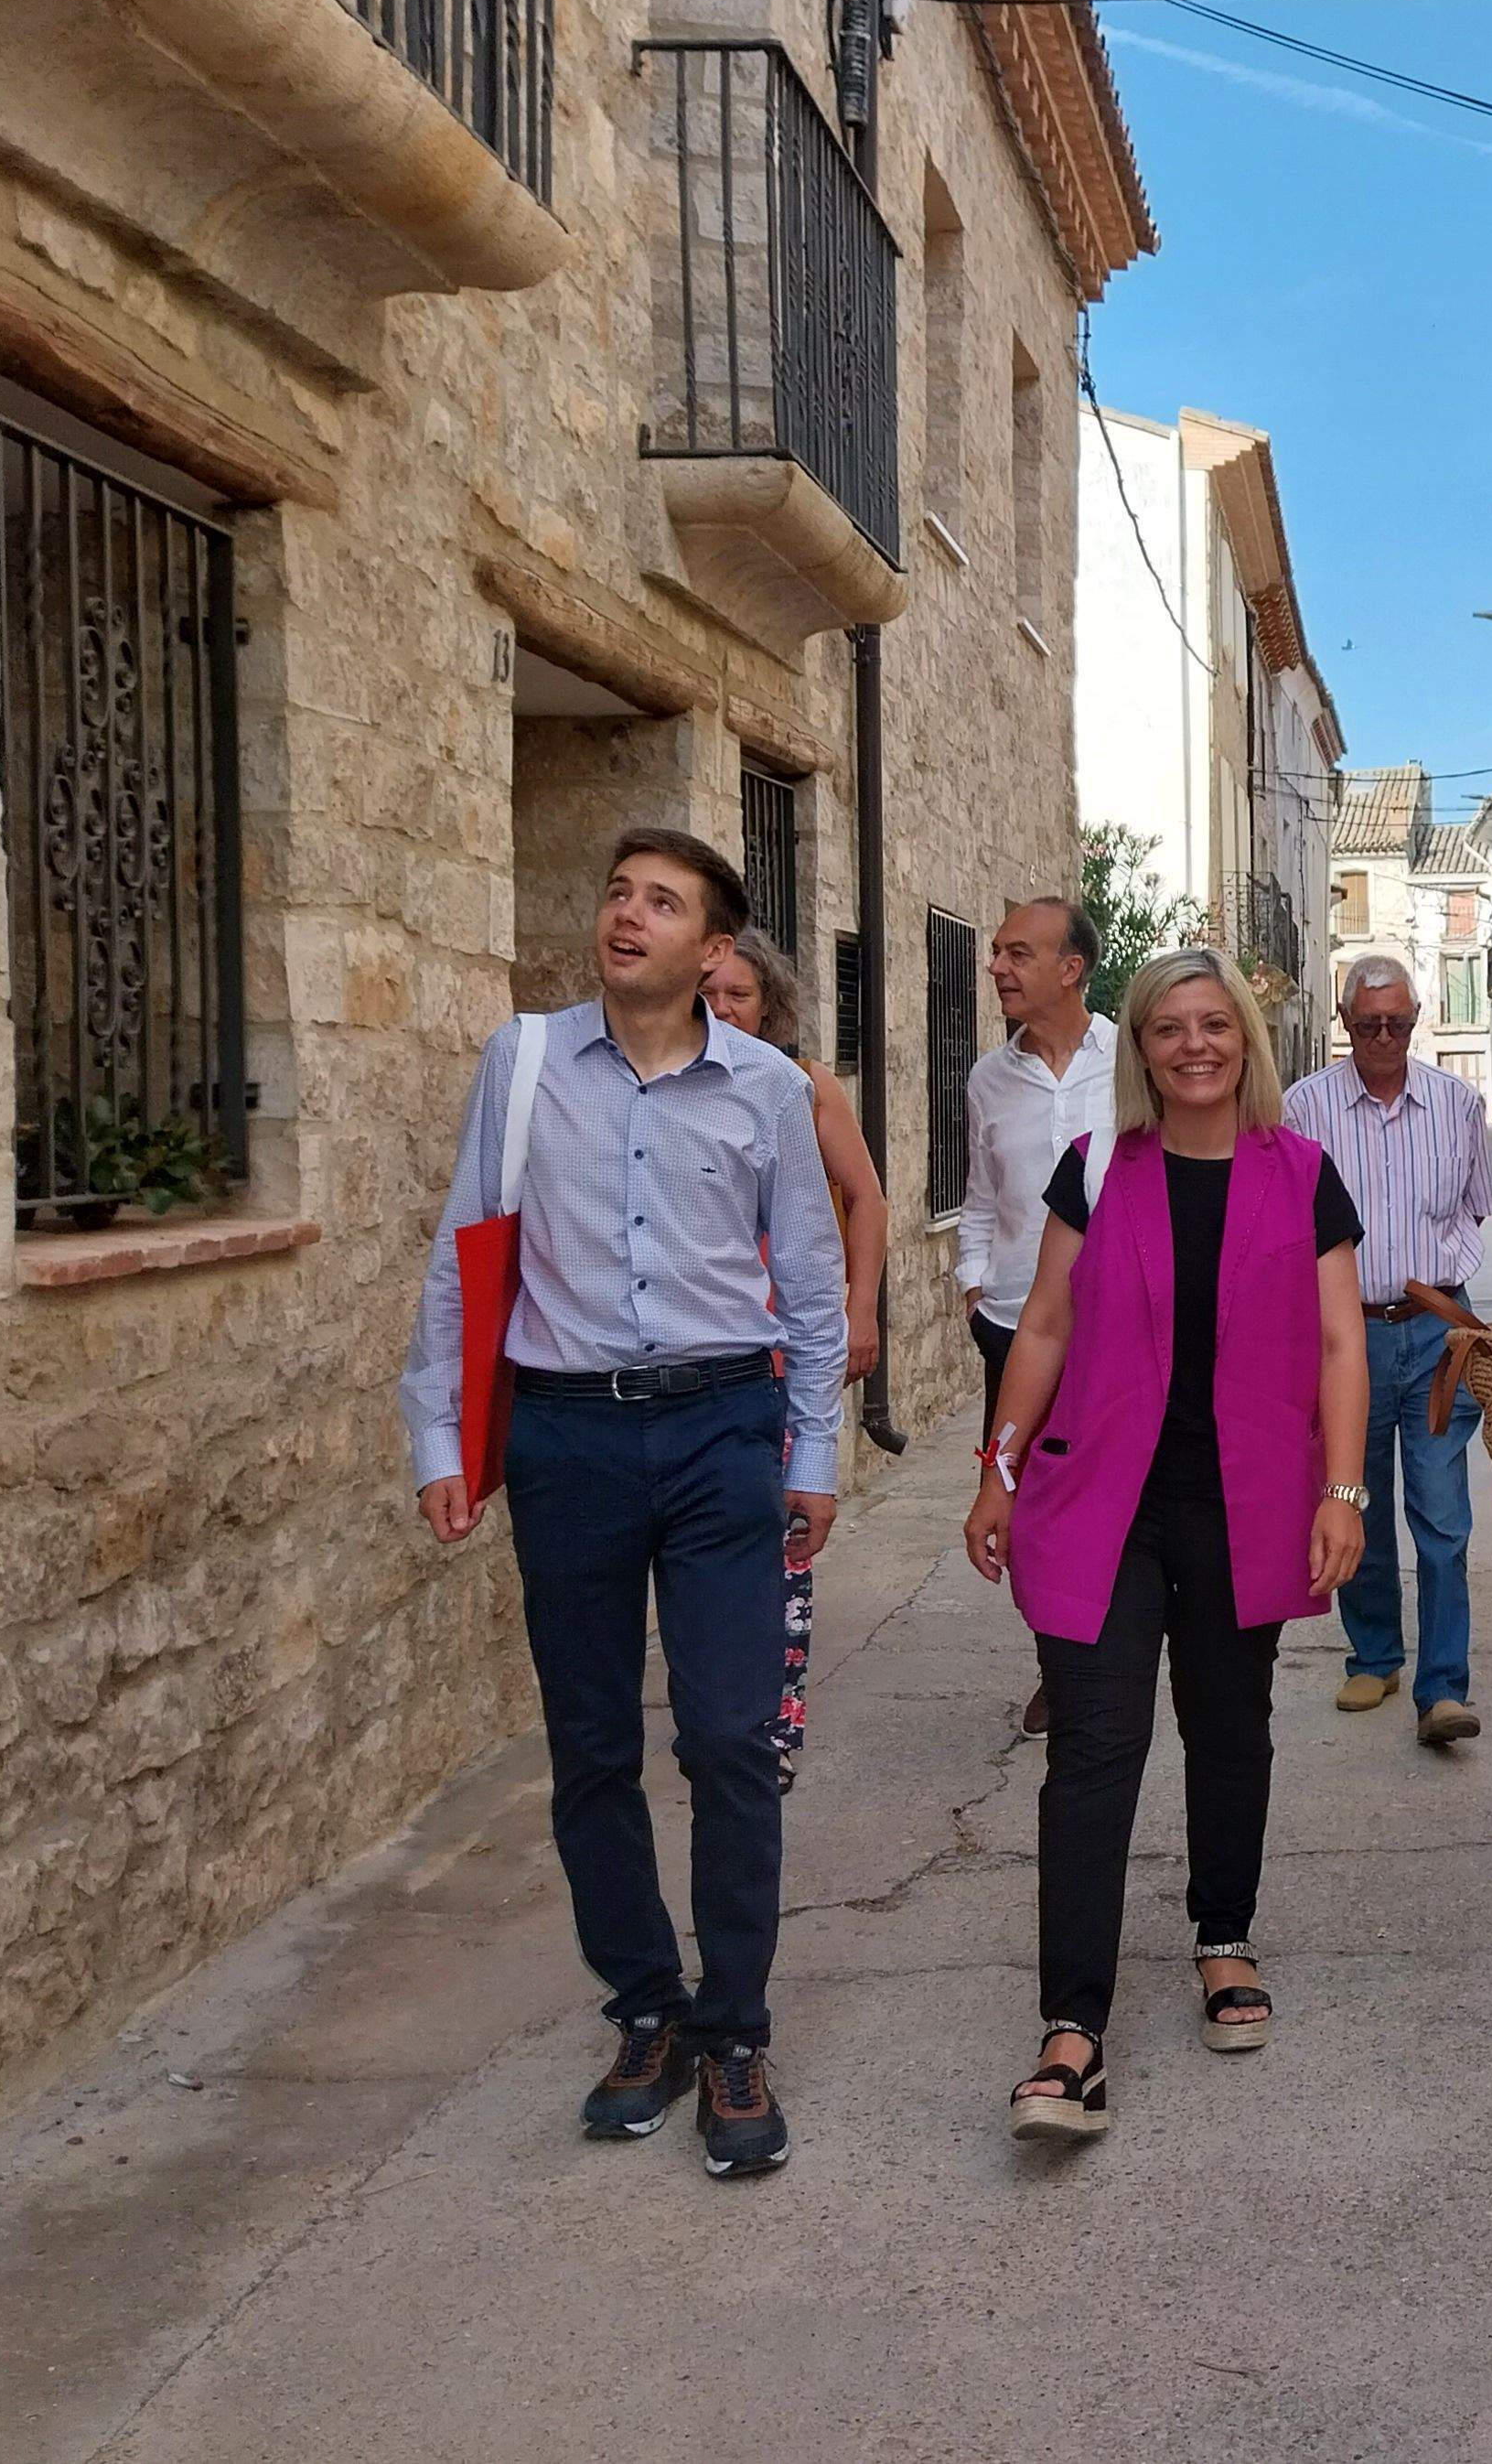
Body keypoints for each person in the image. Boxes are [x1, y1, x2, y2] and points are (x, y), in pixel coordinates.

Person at [401, 829, 845, 2179]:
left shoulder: (768, 1088)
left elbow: (810, 1282)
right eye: (617, 894)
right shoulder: (525, 1061)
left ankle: (737, 2029)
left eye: (662, 902)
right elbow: (464, 1254)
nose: (627, 916)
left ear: (714, 947)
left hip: (721, 1431)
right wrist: (439, 1431)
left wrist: (813, 1455)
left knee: (728, 1738)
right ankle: (647, 2009)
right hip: (569, 1438)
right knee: (592, 1744)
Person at [961, 946, 1369, 2143]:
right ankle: (1072, 2029)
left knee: (1229, 1726)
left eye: (1214, 1024)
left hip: (1247, 1500)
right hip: (1104, 1500)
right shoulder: (1098, 1168)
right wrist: (996, 1470)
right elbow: (1042, 1327)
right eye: (1168, 1027)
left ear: (1246, 1038)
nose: (1194, 1045)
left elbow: (1341, 1345)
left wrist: (1343, 1490)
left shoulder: (1303, 1174)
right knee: (1096, 1743)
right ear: (1139, 1048)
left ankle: (1223, 1934)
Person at [1284, 953, 1492, 1747]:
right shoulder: (1303, 1110)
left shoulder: (1457, 1104)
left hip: (1437, 1335)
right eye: (1369, 1023)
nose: (1383, 1036)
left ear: (1416, 1022)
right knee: (1357, 1499)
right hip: (1345, 1336)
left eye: (1397, 1023)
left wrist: (1441, 1278)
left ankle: (1443, 1689)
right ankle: (1373, 1656)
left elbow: (1477, 1205)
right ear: (1345, 1021)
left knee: (1442, 1515)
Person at [705, 934, 886, 1790]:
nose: (722, 1009)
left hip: (789, 1350)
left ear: (768, 1004)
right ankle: (721, 1713)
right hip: (713, 1357)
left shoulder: (801, 1085)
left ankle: (775, 1724)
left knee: (785, 1544)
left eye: (738, 995)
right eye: (708, 993)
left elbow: (869, 1200)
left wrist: (860, 1308)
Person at [961, 896, 1115, 1738]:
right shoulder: (988, 1078)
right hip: (1016, 1322)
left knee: (1111, 1495)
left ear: (1071, 969)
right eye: (996, 951)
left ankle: (1110, 1651)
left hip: (1119, 1325)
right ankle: (1059, 1668)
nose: (997, 968)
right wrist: (973, 1281)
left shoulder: (1130, 1059)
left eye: (1018, 953)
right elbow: (982, 1194)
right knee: (1021, 1496)